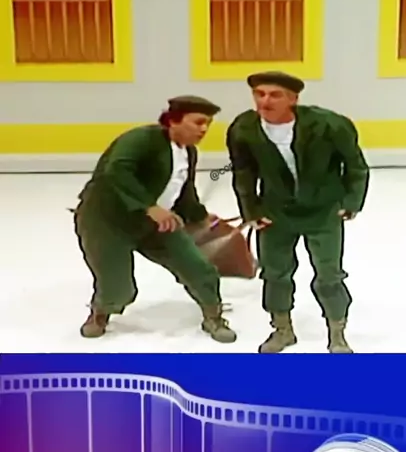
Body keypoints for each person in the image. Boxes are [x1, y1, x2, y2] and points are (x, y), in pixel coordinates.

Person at [74, 95, 236, 344]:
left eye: (208, 124)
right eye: (198, 122)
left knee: (197, 266)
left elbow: (184, 191)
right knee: (117, 284)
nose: (204, 129)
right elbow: (117, 170)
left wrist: (201, 216)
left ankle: (213, 315)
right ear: (173, 120)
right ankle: (100, 313)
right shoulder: (141, 139)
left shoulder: (189, 152)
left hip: (159, 223)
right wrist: (148, 206)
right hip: (107, 222)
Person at [226, 72, 369, 354]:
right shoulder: (244, 129)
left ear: (293, 99)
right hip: (276, 212)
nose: (265, 101)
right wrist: (251, 209)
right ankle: (282, 329)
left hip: (323, 210)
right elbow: (243, 172)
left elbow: (355, 165)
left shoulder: (329, 125)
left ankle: (337, 332)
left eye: (275, 94)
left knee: (329, 274)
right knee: (274, 273)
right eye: (259, 94)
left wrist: (351, 201)